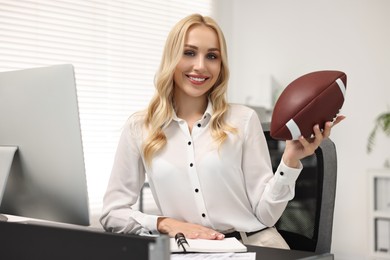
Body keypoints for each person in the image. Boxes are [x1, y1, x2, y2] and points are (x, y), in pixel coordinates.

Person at [99, 13, 344, 249]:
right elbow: (113, 213)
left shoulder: (244, 120)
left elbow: (266, 215)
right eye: (189, 53)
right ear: (171, 58)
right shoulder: (139, 128)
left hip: (253, 245)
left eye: (212, 56)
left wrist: (289, 161)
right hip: (189, 251)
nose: (200, 66)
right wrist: (165, 223)